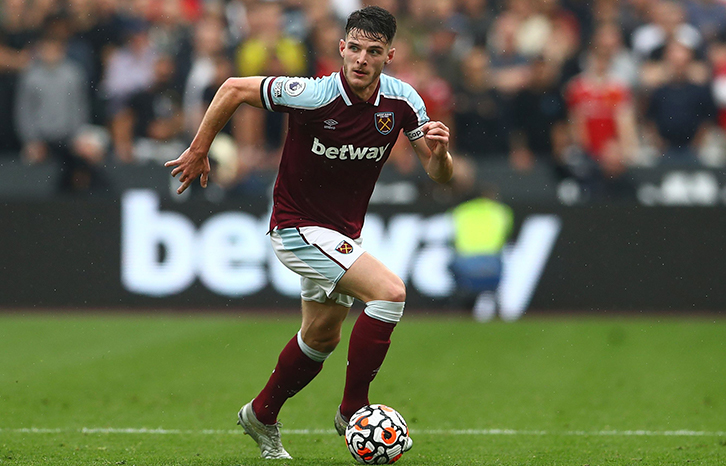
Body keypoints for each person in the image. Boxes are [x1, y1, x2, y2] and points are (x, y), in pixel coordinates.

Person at [165, 6, 453, 460]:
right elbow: (233, 88)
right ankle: (353, 411)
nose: (361, 59)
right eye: (354, 48)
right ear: (341, 48)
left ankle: (260, 415)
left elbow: (440, 176)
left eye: (372, 51)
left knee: (321, 337)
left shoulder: (403, 102)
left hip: (341, 235)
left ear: (389, 56)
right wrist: (200, 150)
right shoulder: (313, 94)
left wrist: (439, 155)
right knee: (390, 292)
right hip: (296, 227)